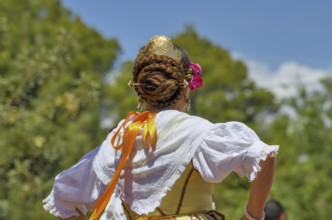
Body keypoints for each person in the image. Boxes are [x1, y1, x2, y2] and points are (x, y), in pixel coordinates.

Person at [43, 35, 279, 220]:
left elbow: (64, 197)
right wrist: (252, 216)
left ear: (140, 89)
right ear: (186, 87)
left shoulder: (120, 135)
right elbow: (264, 156)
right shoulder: (196, 131)